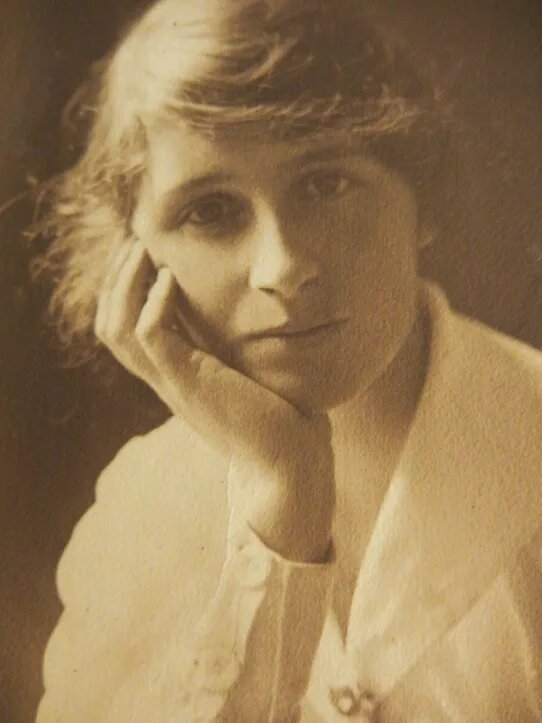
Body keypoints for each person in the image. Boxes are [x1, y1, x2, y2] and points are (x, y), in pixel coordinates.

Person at [35, 1, 541, 720]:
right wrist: (282, 497)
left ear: (422, 198)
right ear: (136, 263)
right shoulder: (141, 508)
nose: (283, 267)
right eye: (210, 212)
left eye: (325, 185)